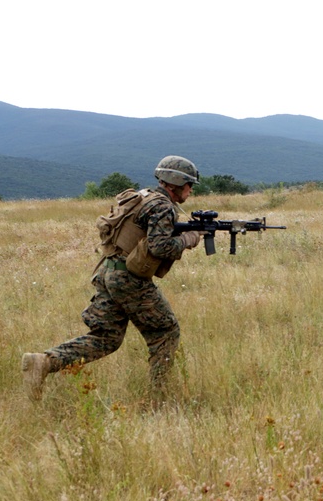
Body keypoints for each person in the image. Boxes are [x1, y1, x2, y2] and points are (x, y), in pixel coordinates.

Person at [21, 156, 203, 402]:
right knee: (165, 332)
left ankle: (43, 362)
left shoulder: (144, 197)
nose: (191, 190)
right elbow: (160, 247)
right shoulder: (162, 206)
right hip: (129, 278)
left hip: (109, 271)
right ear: (176, 182)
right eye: (189, 185)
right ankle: (161, 398)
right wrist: (189, 239)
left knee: (106, 337)